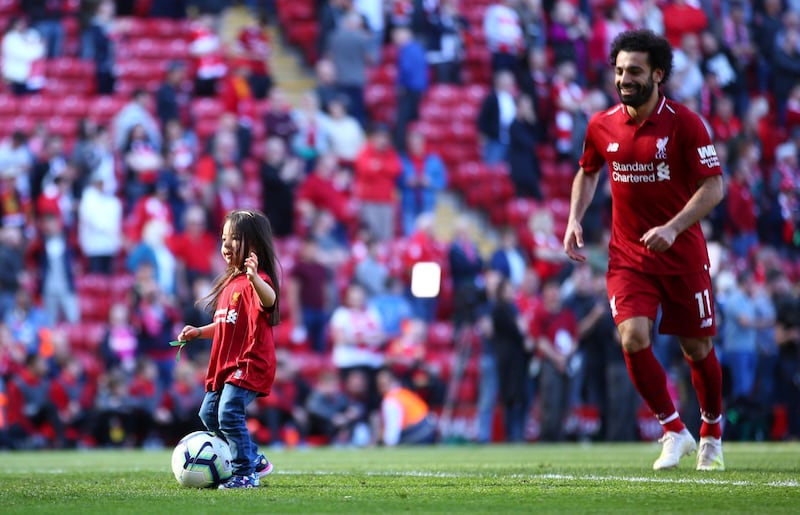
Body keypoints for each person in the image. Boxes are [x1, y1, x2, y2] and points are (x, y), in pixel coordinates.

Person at [563, 29, 725, 470]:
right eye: (619, 71)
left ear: (657, 74)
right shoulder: (601, 124)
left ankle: (711, 429)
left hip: (682, 254)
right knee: (633, 338)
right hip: (629, 257)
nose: (624, 79)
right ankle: (673, 429)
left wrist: (673, 228)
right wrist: (575, 216)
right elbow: (588, 171)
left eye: (633, 71)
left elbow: (714, 187)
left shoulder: (686, 123)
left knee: (697, 349)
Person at [175, 209, 281, 489]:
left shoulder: (257, 281)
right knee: (208, 414)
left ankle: (245, 473)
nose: (226, 244)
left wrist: (256, 277)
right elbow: (225, 325)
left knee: (229, 411)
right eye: (224, 238)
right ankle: (253, 457)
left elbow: (269, 301)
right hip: (225, 365)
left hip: (248, 362)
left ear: (254, 245)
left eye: (235, 238)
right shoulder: (229, 285)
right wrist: (199, 332)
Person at [376, 368, 437, 446]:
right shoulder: (402, 392)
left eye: (383, 384)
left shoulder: (390, 400)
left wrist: (387, 445)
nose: (381, 388)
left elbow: (393, 428)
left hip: (420, 431)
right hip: (430, 427)